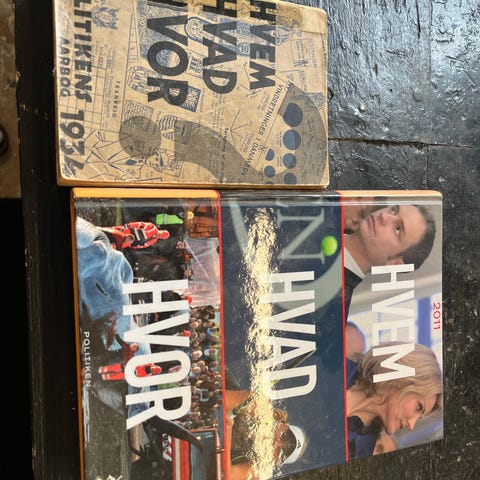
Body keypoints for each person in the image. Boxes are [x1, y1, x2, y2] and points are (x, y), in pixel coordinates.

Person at [346, 341, 443, 460]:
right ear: (403, 380)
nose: (411, 426)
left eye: (419, 418)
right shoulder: (335, 365)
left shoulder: (362, 450)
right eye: (418, 407)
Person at [343, 203, 436, 318]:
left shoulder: (334, 305)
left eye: (397, 229)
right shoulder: (330, 218)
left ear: (395, 263)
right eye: (393, 210)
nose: (384, 216)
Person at [225, 389, 307, 479]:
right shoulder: (259, 405)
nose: (276, 443)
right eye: (284, 437)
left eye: (281, 451)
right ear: (282, 425)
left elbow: (226, 476)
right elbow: (219, 401)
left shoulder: (257, 470)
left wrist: (227, 431)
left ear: (276, 461)